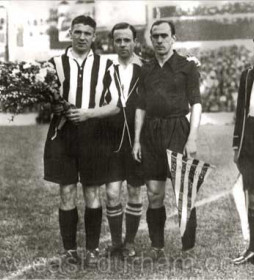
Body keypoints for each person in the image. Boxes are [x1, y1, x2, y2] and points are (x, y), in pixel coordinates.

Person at [43, 15, 120, 267]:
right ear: (70, 33)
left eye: (88, 33)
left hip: (94, 135)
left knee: (91, 192)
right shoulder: (53, 64)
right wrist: (54, 108)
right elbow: (46, 101)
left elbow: (116, 106)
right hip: (62, 135)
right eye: (78, 32)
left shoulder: (106, 65)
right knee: (66, 191)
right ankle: (69, 250)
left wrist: (88, 113)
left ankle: (92, 249)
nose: (82, 37)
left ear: (94, 36)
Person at [132, 20, 202, 259]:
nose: (160, 41)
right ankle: (157, 246)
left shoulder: (187, 67)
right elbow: (140, 106)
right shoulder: (146, 69)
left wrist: (192, 137)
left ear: (174, 37)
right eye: (155, 37)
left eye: (164, 36)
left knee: (183, 193)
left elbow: (197, 104)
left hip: (178, 130)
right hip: (150, 132)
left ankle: (188, 248)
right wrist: (137, 140)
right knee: (154, 193)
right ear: (151, 40)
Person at [104, 23, 144, 258]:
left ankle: (129, 242)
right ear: (113, 42)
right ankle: (116, 242)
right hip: (111, 138)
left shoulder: (145, 69)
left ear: (134, 41)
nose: (122, 44)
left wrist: (139, 139)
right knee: (111, 193)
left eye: (127, 40)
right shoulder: (106, 69)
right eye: (118, 40)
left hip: (138, 139)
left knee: (134, 191)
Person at [232, 31, 254, 265]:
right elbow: (240, 112)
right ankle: (253, 249)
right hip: (251, 138)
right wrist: (236, 144)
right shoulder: (247, 76)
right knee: (253, 196)